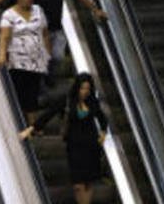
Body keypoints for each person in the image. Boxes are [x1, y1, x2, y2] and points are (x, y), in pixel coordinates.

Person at [20, 73, 109, 204]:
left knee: (88, 182)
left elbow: (102, 118)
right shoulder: (67, 100)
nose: (84, 92)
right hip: (74, 146)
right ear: (77, 88)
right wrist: (31, 129)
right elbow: (49, 114)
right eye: (82, 88)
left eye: (87, 89)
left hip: (91, 146)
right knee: (78, 184)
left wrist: (103, 132)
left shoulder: (92, 102)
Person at [0, 0, 50, 123]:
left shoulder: (38, 10)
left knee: (33, 93)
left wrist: (47, 53)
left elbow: (45, 33)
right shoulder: (9, 15)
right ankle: (20, 122)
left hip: (36, 60)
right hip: (17, 61)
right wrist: (2, 55)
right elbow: (4, 36)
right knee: (20, 93)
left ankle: (33, 125)